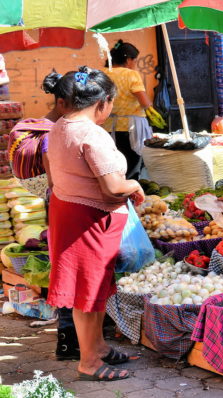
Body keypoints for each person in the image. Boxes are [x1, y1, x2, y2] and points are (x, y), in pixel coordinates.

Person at [47, 66, 145, 381]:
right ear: (102, 103)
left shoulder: (59, 126)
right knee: (87, 293)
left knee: (94, 287)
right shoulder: (91, 134)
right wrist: (135, 186)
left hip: (71, 212)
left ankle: (99, 347)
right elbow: (113, 188)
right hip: (88, 220)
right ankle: (88, 360)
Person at [8, 71, 81, 361]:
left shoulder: (41, 125)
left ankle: (68, 340)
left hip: (56, 210)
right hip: (65, 207)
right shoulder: (56, 134)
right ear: (63, 104)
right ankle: (70, 340)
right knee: (69, 270)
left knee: (62, 267)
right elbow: (57, 182)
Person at [103, 40, 163, 180]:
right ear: (128, 60)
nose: (134, 64)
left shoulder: (102, 73)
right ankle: (131, 197)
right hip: (130, 129)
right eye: (135, 61)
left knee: (113, 167)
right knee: (132, 168)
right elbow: (144, 102)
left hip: (106, 128)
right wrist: (153, 112)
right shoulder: (130, 74)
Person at [8, 71, 72, 198]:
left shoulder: (36, 124)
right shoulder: (52, 135)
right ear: (61, 103)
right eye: (81, 106)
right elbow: (54, 184)